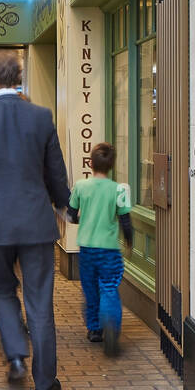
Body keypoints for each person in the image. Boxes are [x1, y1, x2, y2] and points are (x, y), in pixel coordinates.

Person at [0, 49, 70, 390]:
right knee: (40, 301)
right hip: (36, 222)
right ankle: (45, 382)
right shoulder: (41, 116)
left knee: (1, 290)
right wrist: (63, 206)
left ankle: (17, 353)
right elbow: (55, 169)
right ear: (18, 78)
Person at [66, 141, 133, 357]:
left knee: (90, 288)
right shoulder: (118, 189)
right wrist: (130, 243)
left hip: (86, 248)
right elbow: (125, 221)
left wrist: (82, 218)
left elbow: (70, 215)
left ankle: (94, 329)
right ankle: (111, 326)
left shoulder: (80, 186)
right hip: (110, 249)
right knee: (109, 287)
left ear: (90, 163)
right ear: (111, 165)